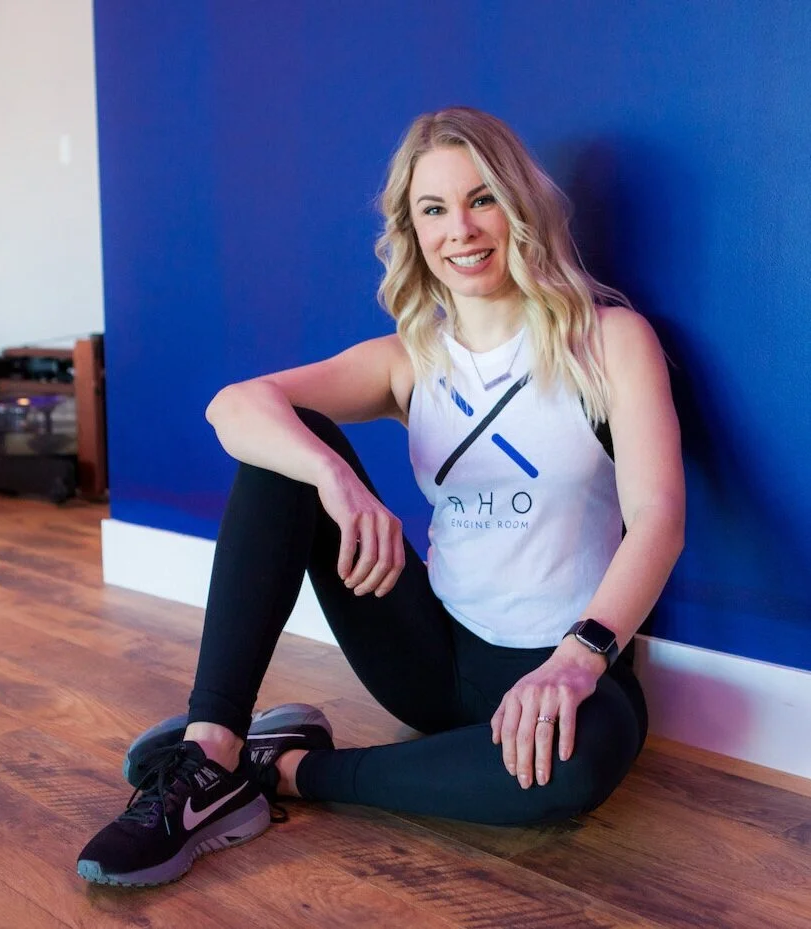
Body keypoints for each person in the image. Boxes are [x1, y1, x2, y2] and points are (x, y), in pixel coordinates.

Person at [77, 106, 685, 887]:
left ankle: (282, 771)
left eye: (481, 199)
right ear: (411, 228)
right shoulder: (408, 358)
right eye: (433, 209)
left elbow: (658, 520)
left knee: (569, 775)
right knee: (284, 445)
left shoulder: (606, 341)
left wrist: (579, 656)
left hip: (563, 662)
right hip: (428, 657)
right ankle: (212, 752)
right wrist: (335, 479)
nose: (459, 229)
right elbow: (234, 405)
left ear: (519, 208)